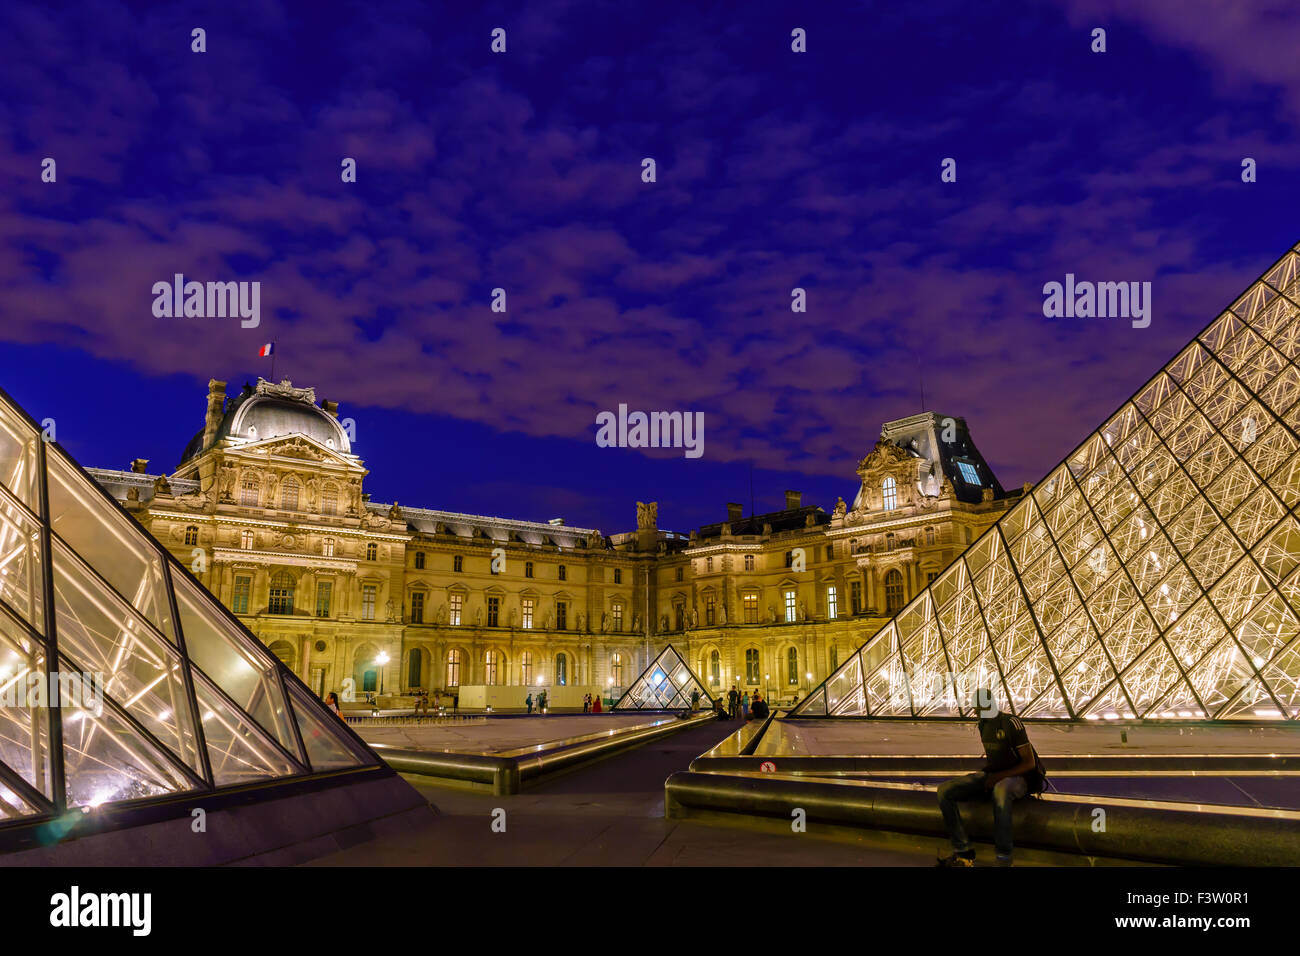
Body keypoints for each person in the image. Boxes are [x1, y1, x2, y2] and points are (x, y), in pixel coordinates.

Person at [935, 688, 1047, 867]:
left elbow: (1029, 763)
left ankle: (1004, 858)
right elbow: (995, 760)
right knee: (945, 790)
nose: (976, 713)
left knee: (1001, 791)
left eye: (978, 709)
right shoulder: (983, 725)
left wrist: (996, 778)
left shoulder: (1012, 723)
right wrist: (985, 778)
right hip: (995, 774)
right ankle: (963, 852)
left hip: (1021, 778)